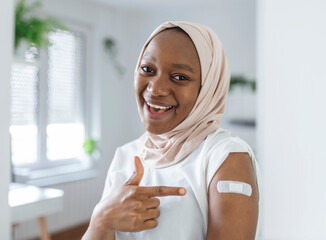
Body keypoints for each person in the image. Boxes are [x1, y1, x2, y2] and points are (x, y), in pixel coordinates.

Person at [83, 21, 260, 240]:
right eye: (148, 69)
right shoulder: (125, 156)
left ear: (208, 88)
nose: (155, 89)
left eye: (180, 77)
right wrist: (101, 220)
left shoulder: (225, 156)